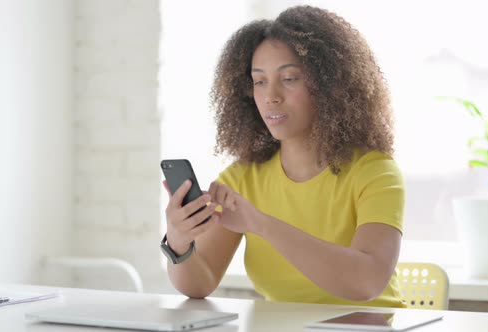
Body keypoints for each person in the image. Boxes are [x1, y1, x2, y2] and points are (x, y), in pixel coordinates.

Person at [161, 5, 405, 308]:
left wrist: (260, 224)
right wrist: (178, 240)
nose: (271, 95)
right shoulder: (243, 178)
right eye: (259, 81)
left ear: (329, 86)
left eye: (289, 78)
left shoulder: (375, 172)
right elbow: (199, 283)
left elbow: (366, 281)